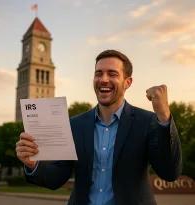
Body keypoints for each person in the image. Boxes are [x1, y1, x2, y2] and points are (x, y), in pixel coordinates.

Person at [16, 50, 182, 205]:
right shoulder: (74, 124)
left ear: (127, 82)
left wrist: (164, 116)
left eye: (112, 74)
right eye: (98, 73)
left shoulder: (148, 121)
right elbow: (57, 177)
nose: (103, 79)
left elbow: (169, 172)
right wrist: (33, 164)